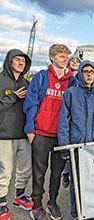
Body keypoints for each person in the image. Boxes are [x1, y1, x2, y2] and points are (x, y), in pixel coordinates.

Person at [23, 44, 78, 220]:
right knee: (39, 173)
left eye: (66, 57)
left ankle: (52, 203)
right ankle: (36, 205)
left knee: (57, 172)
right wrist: (30, 129)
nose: (65, 60)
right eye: (61, 56)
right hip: (41, 132)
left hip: (61, 136)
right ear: (51, 57)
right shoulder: (41, 77)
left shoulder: (72, 81)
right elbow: (31, 104)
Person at [57, 60, 94, 220]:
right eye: (85, 71)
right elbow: (63, 122)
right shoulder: (70, 93)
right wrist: (65, 147)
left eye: (92, 71)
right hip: (77, 146)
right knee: (77, 183)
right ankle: (77, 213)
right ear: (80, 73)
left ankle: (92, 210)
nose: (88, 74)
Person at [0, 49, 33, 220]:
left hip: (23, 135)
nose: (20, 63)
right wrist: (12, 97)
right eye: (17, 60)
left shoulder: (26, 83)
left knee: (25, 169)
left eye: (23, 60)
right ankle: (1, 203)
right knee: (5, 171)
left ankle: (19, 196)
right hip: (4, 135)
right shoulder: (0, 80)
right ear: (9, 61)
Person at [61, 54, 81, 188]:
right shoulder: (65, 76)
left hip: (77, 114)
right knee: (67, 146)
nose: (74, 62)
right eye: (72, 60)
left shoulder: (82, 77)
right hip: (65, 111)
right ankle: (65, 173)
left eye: (77, 61)